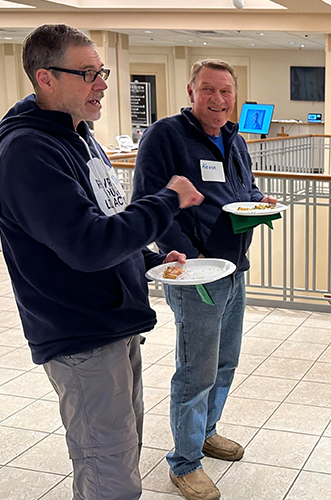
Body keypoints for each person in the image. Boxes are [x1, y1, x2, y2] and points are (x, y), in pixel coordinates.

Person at [0, 24, 204, 500]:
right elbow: (88, 245)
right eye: (88, 73)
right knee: (107, 469)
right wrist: (165, 202)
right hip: (80, 332)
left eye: (102, 71)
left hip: (114, 321)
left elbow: (103, 218)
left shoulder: (79, 135)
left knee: (119, 452)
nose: (103, 83)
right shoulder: (28, 152)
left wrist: (149, 258)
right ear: (45, 77)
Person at [132, 59, 277, 500]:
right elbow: (149, 202)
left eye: (226, 91)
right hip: (196, 272)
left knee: (225, 363)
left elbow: (241, 191)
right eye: (209, 90)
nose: (218, 100)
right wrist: (188, 255)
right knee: (196, 371)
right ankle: (184, 462)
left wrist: (261, 201)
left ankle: (206, 432)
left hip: (234, 269)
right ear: (191, 91)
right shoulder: (166, 136)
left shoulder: (234, 139)